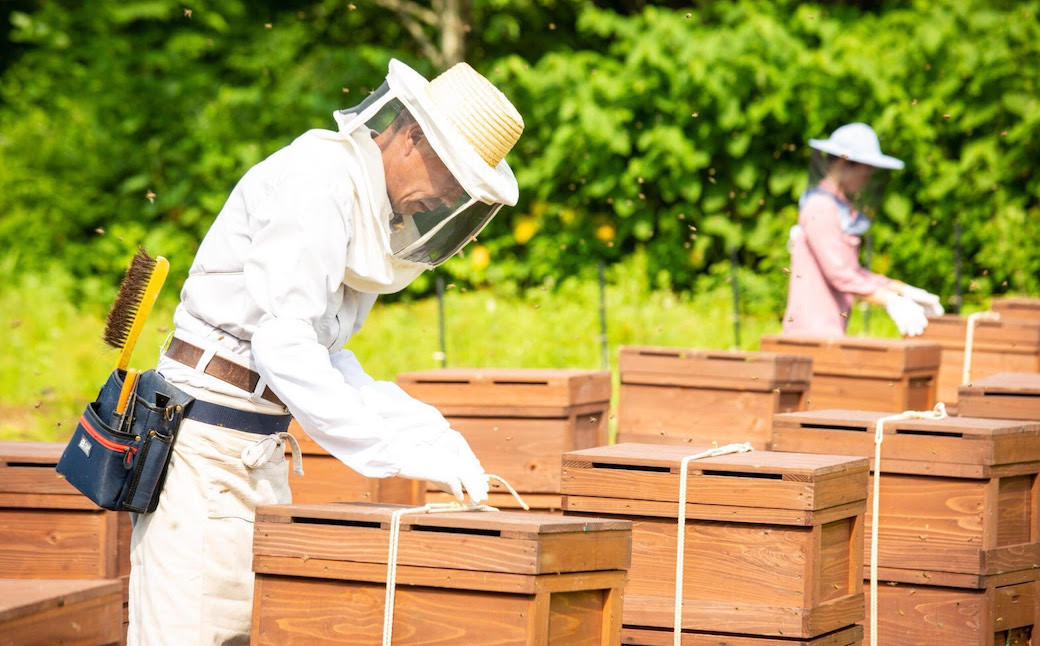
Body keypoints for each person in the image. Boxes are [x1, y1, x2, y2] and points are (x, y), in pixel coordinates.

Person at [127, 59, 524, 645]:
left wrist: (427, 432)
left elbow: (324, 355)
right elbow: (283, 345)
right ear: (413, 136)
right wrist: (390, 452)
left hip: (255, 448)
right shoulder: (318, 181)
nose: (449, 199)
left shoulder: (368, 208)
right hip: (203, 446)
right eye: (456, 179)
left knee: (247, 631)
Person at [781, 122, 943, 338]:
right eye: (865, 168)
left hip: (829, 332)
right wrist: (889, 300)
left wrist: (900, 289)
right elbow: (840, 274)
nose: (868, 175)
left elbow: (852, 271)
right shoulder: (820, 206)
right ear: (844, 163)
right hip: (809, 334)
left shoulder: (836, 206)